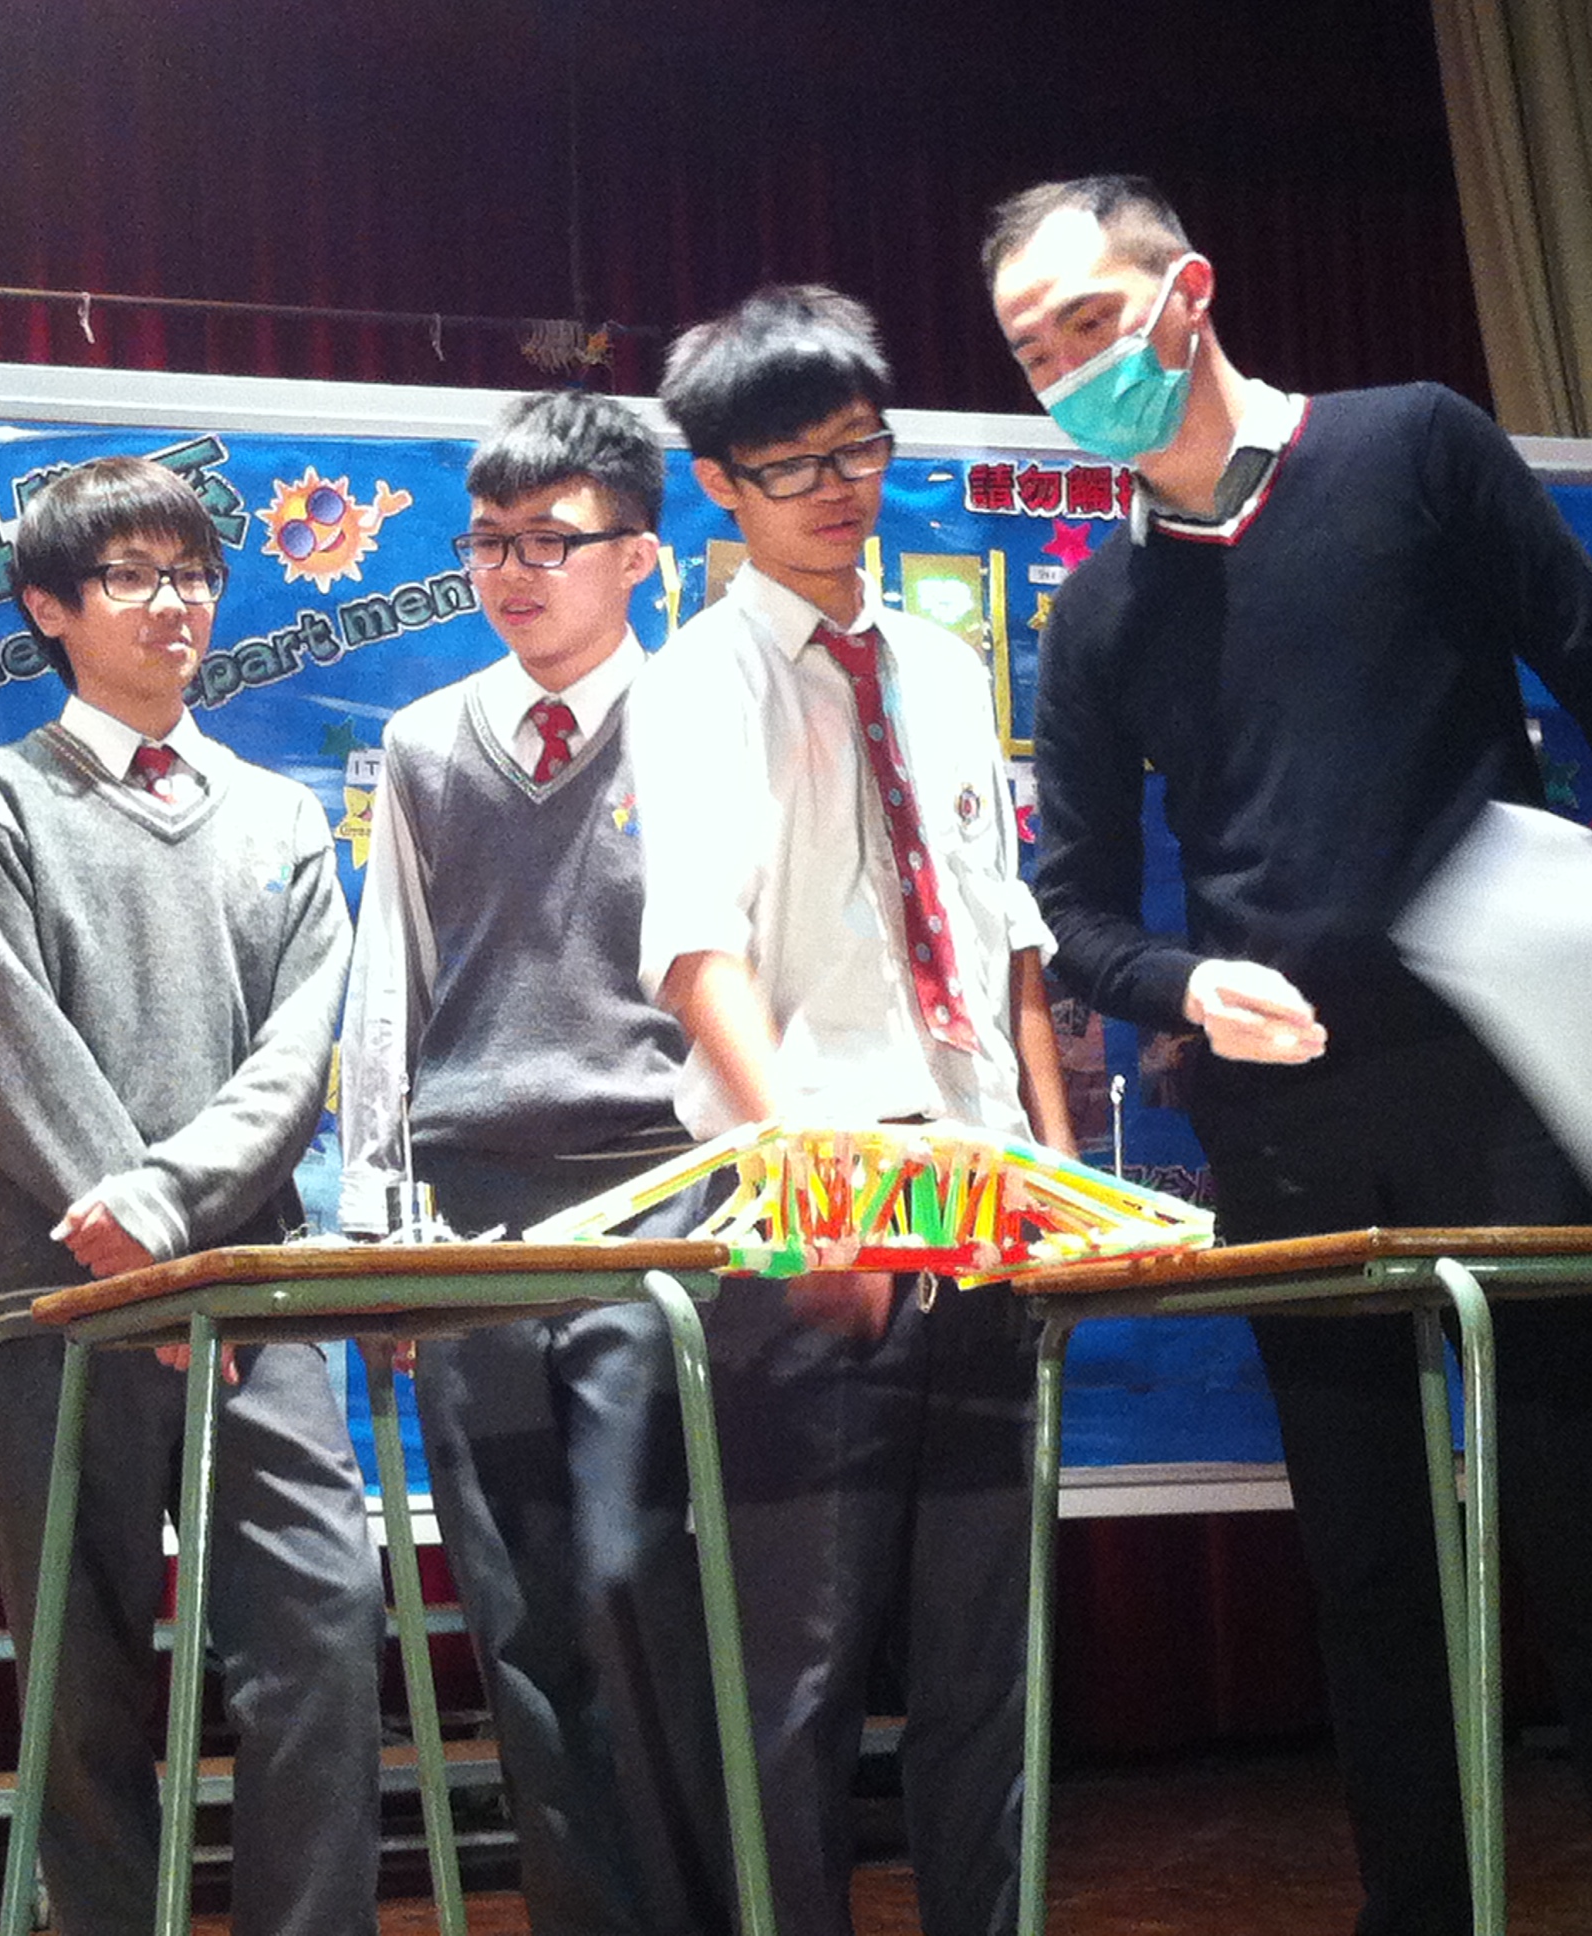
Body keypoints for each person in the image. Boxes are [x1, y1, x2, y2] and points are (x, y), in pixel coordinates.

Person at [985, 173, 1592, 1936]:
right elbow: (1072, 906)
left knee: (1582, 1534)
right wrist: (1187, 985)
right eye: (1035, 355)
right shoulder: (1097, 616)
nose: (1073, 373)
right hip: (1283, 1120)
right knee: (1366, 1568)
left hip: (1508, 1078)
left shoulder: (1412, 448)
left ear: (1188, 292)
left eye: (1092, 325)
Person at [630, 283, 1075, 1936]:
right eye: (793, 463)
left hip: (980, 1188)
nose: (838, 487)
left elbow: (1006, 932)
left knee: (990, 1667)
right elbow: (697, 957)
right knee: (796, 1672)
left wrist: (1059, 1174)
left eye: (861, 448)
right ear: (721, 485)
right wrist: (811, 1177)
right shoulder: (700, 682)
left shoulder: (945, 667)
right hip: (808, 1187)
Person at [0, 455, 381, 1935]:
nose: (171, 603)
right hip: (50, 1296)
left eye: (191, 573)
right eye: (129, 575)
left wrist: (175, 1238)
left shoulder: (281, 816)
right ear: (49, 607)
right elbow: (4, 1050)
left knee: (324, 1628)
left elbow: (295, 1061)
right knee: (82, 1677)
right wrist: (133, 1259)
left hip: (250, 1291)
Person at [339, 389, 731, 1935]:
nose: (514, 572)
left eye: (550, 541)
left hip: (661, 1198)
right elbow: (390, 984)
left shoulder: (702, 722)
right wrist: (378, 1222)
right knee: (517, 1617)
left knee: (647, 1586)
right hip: (476, 1218)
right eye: (490, 542)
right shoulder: (425, 743)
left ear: (638, 553)